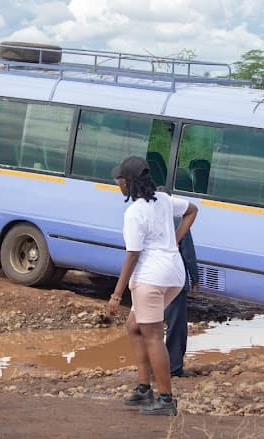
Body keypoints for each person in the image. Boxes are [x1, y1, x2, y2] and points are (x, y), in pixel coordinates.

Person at [108, 156, 197, 416]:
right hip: (174, 275)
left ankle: (166, 399)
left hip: (151, 277)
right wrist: (174, 240)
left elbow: (133, 254)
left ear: (128, 183)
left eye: (119, 180)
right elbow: (192, 210)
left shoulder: (134, 212)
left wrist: (116, 294)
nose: (117, 183)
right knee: (134, 326)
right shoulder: (164, 199)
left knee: (154, 336)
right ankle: (144, 388)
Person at [163, 191, 199, 379]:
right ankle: (173, 367)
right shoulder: (179, 221)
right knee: (176, 325)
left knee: (150, 325)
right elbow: (188, 251)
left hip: (150, 279)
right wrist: (195, 277)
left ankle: (151, 367)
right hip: (174, 280)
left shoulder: (143, 217)